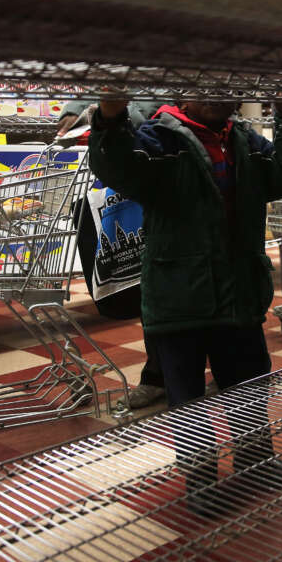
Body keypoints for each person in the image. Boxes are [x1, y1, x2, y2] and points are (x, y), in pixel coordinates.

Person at [85, 96, 282, 516]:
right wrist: (110, 118)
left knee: (249, 385)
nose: (217, 96)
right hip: (179, 296)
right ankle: (201, 477)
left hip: (238, 291)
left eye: (226, 87)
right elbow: (118, 169)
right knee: (188, 397)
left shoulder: (244, 140)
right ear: (182, 89)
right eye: (205, 85)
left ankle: (255, 462)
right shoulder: (157, 138)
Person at [59, 99, 167, 408]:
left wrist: (119, 113)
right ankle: (159, 375)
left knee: (172, 289)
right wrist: (76, 110)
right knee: (148, 288)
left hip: (154, 157)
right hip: (125, 158)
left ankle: (180, 373)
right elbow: (98, 80)